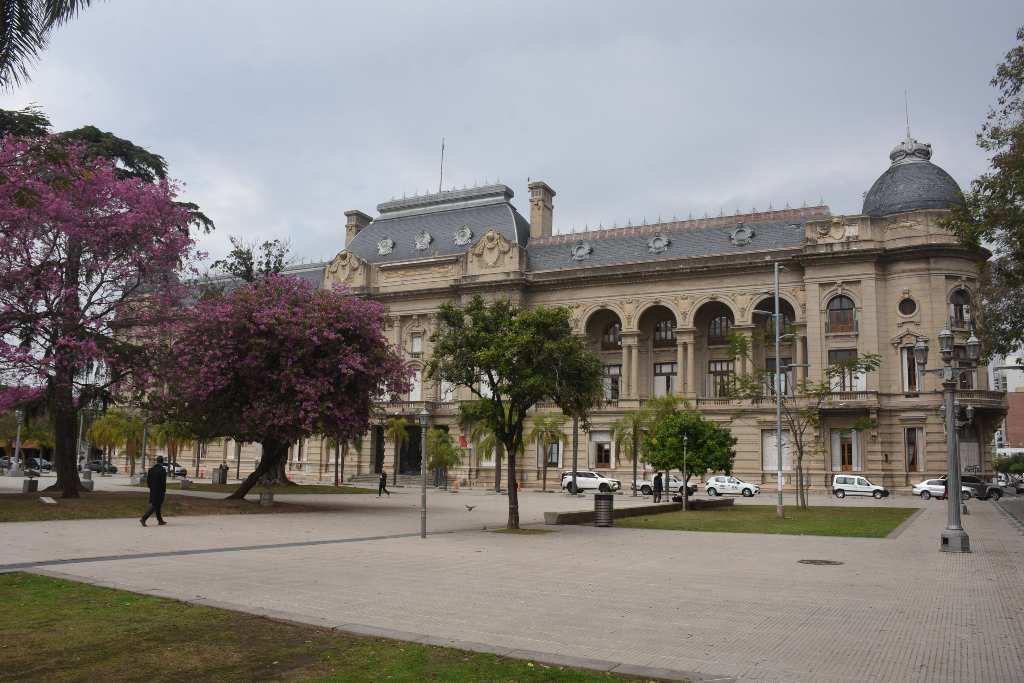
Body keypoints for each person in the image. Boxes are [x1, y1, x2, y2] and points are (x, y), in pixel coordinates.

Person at [141, 456, 168, 526]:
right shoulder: (162, 470)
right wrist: (164, 490)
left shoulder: (151, 469)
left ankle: (160, 520)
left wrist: (151, 487)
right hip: (159, 491)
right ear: (162, 462)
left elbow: (148, 481)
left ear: (157, 461)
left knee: (157, 505)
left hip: (153, 490)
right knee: (155, 505)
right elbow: (163, 482)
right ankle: (143, 518)